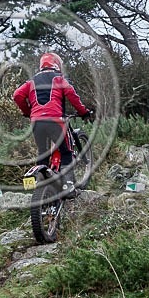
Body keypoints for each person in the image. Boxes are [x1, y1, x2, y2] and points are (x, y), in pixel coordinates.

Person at [12, 52, 94, 198]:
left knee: (43, 152)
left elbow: (17, 95)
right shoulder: (59, 79)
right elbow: (72, 95)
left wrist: (28, 112)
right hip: (56, 121)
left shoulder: (31, 81)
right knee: (66, 152)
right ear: (57, 64)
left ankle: (41, 184)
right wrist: (83, 111)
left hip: (37, 122)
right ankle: (68, 187)